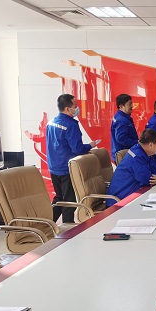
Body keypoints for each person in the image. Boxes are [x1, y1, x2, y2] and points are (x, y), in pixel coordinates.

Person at [46, 94, 97, 223]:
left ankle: (48, 224)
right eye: (75, 105)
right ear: (68, 109)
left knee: (59, 197)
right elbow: (77, 149)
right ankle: (67, 228)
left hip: (53, 166)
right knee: (69, 200)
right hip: (67, 168)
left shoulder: (51, 122)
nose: (77, 108)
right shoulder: (70, 125)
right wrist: (90, 145)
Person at [106, 129, 156, 206]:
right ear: (151, 145)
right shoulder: (136, 156)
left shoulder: (146, 153)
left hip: (133, 195)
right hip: (119, 201)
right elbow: (147, 180)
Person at [110, 93, 138, 161]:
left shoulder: (122, 117)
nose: (132, 106)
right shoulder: (121, 120)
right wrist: (137, 142)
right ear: (121, 106)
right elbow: (121, 138)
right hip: (123, 155)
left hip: (124, 153)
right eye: (129, 104)